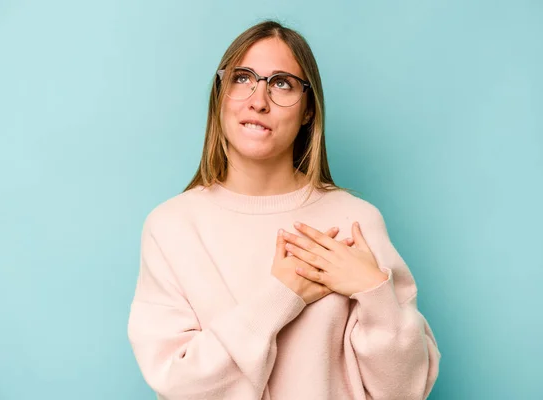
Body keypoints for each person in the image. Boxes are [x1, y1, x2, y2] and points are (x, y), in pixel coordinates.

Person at [127, 20, 441, 400]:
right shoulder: (172, 227)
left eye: (281, 84)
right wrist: (280, 296)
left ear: (308, 110)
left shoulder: (355, 221)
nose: (258, 100)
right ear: (220, 95)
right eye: (243, 78)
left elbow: (405, 390)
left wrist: (374, 292)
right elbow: (181, 383)